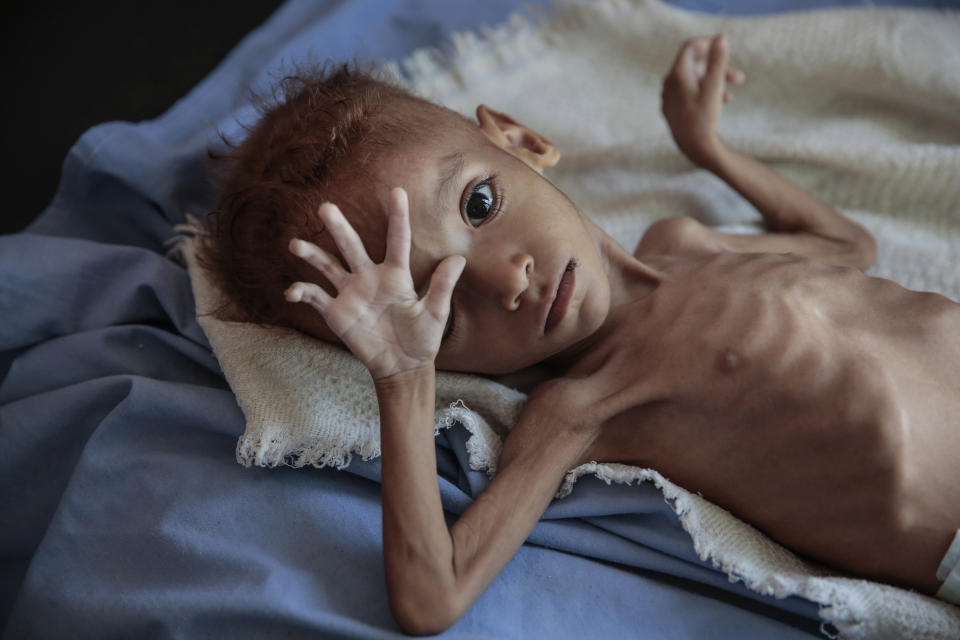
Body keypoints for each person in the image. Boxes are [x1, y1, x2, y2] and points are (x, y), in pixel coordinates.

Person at [199, 34, 960, 634]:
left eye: (479, 204)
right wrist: (403, 376)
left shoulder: (687, 240)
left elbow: (846, 247)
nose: (508, 279)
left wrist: (711, 150)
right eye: (442, 302)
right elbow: (432, 596)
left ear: (522, 140)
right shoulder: (585, 404)